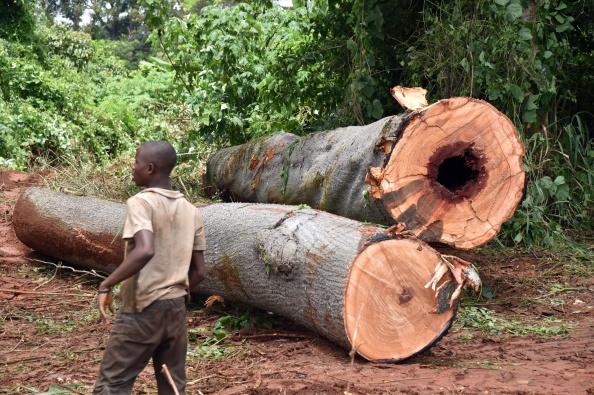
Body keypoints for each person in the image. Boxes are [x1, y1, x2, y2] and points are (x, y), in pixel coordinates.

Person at [93, 140, 206, 395]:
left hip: (142, 308)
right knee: (172, 386)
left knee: (112, 384)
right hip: (176, 309)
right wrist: (174, 292)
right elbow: (199, 272)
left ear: (151, 168)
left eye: (136, 161)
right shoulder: (191, 210)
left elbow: (145, 249)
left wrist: (106, 284)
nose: (132, 167)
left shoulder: (140, 203)